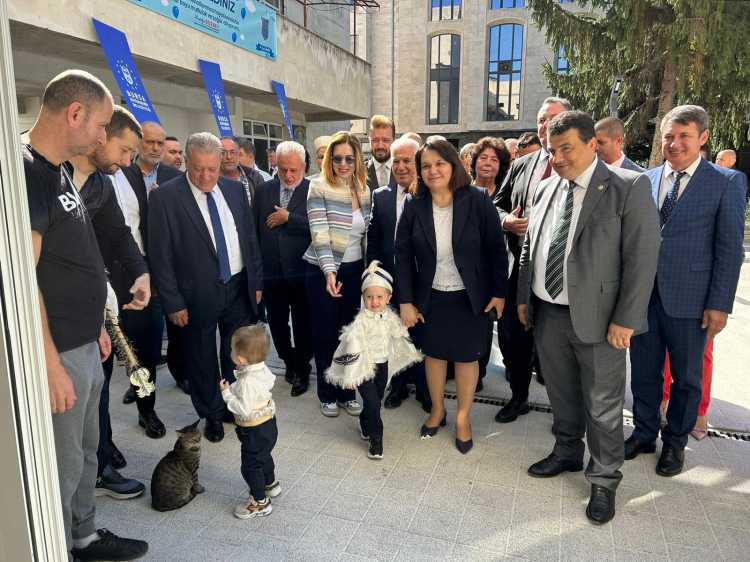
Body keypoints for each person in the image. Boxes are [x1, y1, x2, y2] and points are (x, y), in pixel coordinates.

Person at [23, 69, 147, 562]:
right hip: (60, 351)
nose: (101, 137)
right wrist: (50, 364)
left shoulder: (60, 172)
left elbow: (76, 257)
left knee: (87, 450)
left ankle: (84, 538)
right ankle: (57, 549)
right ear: (75, 114)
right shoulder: (28, 173)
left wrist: (97, 324)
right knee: (63, 462)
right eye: (99, 126)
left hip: (84, 341)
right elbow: (24, 277)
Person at [518, 110, 660, 524]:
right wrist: (525, 295)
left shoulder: (628, 186)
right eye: (552, 150)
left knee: (602, 406)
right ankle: (567, 451)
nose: (558, 158)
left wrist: (626, 319)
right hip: (548, 313)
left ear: (592, 144)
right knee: (561, 395)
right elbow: (532, 245)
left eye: (566, 148)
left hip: (601, 320)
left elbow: (642, 258)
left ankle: (604, 479)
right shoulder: (546, 186)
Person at [628, 105, 746, 477]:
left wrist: (720, 303)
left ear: (703, 137)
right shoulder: (645, 179)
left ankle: (675, 443)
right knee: (644, 372)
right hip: (643, 298)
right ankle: (644, 432)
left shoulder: (725, 181)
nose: (674, 143)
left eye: (684, 136)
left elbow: (730, 248)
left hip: (692, 301)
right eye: (668, 136)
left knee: (686, 379)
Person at [148, 132, 264, 443]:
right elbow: (160, 255)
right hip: (194, 294)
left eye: (212, 169)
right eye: (198, 168)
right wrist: (172, 301)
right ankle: (211, 413)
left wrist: (256, 280)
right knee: (200, 357)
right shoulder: (165, 197)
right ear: (187, 162)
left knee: (235, 351)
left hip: (238, 286)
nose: (206, 176)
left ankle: (230, 404)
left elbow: (249, 237)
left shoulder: (234, 188)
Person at [395, 139, 507, 455]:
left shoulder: (477, 199)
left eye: (439, 163)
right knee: (434, 355)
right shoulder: (413, 204)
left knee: (467, 357)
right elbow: (401, 256)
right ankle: (437, 410)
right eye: (425, 166)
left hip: (470, 297)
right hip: (430, 297)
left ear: (453, 164)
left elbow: (496, 250)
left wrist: (499, 293)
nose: (433, 171)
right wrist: (405, 301)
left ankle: (462, 418)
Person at [69, 107, 156, 503]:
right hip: (56, 315)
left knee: (98, 389)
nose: (128, 160)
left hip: (95, 307)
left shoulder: (100, 185)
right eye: (125, 150)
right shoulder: (49, 176)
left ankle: (100, 465)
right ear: (100, 136)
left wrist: (141, 273)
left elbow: (119, 234)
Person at [494, 97, 572, 423]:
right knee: (517, 339)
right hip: (520, 269)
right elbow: (497, 204)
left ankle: (565, 414)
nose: (545, 125)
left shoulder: (580, 164)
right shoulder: (521, 165)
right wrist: (506, 221)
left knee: (558, 346)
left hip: (562, 273)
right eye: (541, 120)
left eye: (552, 119)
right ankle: (519, 398)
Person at [325, 263, 423, 459]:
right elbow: (353, 348)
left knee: (375, 400)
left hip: (382, 365)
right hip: (364, 368)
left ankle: (365, 422)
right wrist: (352, 376)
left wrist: (410, 320)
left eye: (380, 297)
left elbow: (398, 332)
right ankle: (376, 440)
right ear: (363, 297)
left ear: (388, 298)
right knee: (373, 403)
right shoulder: (360, 322)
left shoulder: (389, 318)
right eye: (369, 297)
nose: (375, 301)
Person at [303, 131, 369, 417]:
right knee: (326, 335)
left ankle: (347, 391)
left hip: (354, 271)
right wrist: (330, 272)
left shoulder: (363, 188)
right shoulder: (318, 187)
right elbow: (319, 233)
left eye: (349, 159)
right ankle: (327, 392)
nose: (343, 164)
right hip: (322, 271)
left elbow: (367, 234)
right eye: (337, 158)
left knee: (349, 334)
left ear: (357, 160)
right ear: (329, 159)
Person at [367, 136, 431, 411]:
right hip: (390, 282)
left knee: (422, 337)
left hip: (425, 282)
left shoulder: (431, 194)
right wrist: (374, 279)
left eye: (407, 160)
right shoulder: (381, 196)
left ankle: (425, 388)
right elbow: (374, 241)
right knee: (394, 336)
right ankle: (398, 385)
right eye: (396, 161)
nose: (401, 166)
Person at [121, 121, 183, 404]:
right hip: (135, 264)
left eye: (160, 143)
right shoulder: (121, 174)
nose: (156, 148)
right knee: (141, 334)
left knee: (175, 325)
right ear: (138, 142)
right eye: (150, 142)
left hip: (168, 265)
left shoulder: (175, 177)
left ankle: (180, 373)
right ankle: (140, 386)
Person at [252, 141, 313, 397]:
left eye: (293, 170)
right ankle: (289, 362)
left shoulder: (313, 190)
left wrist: (289, 219)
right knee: (277, 325)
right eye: (283, 169)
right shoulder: (263, 191)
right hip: (272, 274)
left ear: (304, 167)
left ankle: (303, 369)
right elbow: (254, 232)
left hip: (301, 272)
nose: (287, 175)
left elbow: (318, 226)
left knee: (303, 325)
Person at [463, 137, 512, 391]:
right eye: (483, 158)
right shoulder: (461, 192)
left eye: (494, 160)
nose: (488, 163)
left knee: (484, 325)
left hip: (491, 272)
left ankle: (478, 372)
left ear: (501, 166)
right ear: (474, 162)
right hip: (462, 272)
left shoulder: (506, 196)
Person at [220, 323, 280, 519]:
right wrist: (243, 369)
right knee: (263, 455)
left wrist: (227, 394)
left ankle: (259, 502)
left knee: (250, 465)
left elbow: (243, 408)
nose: (230, 351)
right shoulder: (261, 369)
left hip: (253, 429)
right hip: (268, 423)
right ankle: (270, 484)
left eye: (232, 349)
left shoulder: (247, 382)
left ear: (242, 358)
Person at [220, 136, 266, 208]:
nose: (229, 157)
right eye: (223, 153)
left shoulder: (255, 177)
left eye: (233, 152)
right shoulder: (210, 179)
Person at [366, 115, 396, 192]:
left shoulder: (404, 171)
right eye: (375, 140)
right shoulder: (359, 172)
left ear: (394, 140)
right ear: (369, 140)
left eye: (386, 140)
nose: (380, 146)